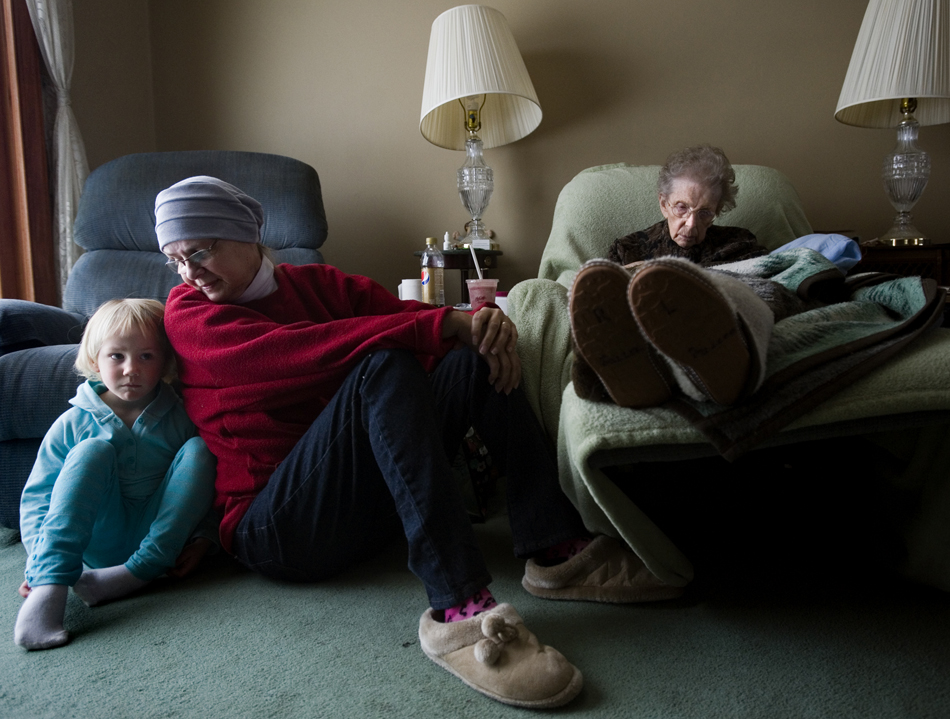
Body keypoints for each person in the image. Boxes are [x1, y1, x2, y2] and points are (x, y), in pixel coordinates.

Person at [156, 176, 680, 709]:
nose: (187, 271)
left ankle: (556, 549)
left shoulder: (319, 284)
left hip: (361, 508)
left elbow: (402, 320)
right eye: (174, 258)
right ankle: (459, 610)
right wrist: (440, 325)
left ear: (247, 235)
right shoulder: (187, 315)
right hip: (277, 530)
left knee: (465, 356)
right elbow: (297, 352)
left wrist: (477, 329)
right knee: (384, 362)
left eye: (199, 250)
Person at [14, 299, 216, 651]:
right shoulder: (73, 422)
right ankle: (50, 588)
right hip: (92, 540)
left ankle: (134, 574)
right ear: (95, 360)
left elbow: (205, 490)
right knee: (92, 450)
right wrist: (38, 560)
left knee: (202, 450)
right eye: (116, 356)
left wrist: (203, 539)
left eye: (146, 357)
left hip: (158, 542)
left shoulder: (180, 416)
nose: (131, 369)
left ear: (166, 361)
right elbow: (38, 498)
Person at [569, 145, 834, 409]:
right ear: (663, 204)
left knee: (762, 292)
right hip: (651, 334)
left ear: (717, 212)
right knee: (612, 304)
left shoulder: (737, 242)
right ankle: (638, 372)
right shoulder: (628, 250)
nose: (692, 224)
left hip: (727, 318)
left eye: (705, 212)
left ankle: (704, 363)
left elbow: (773, 289)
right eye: (681, 208)